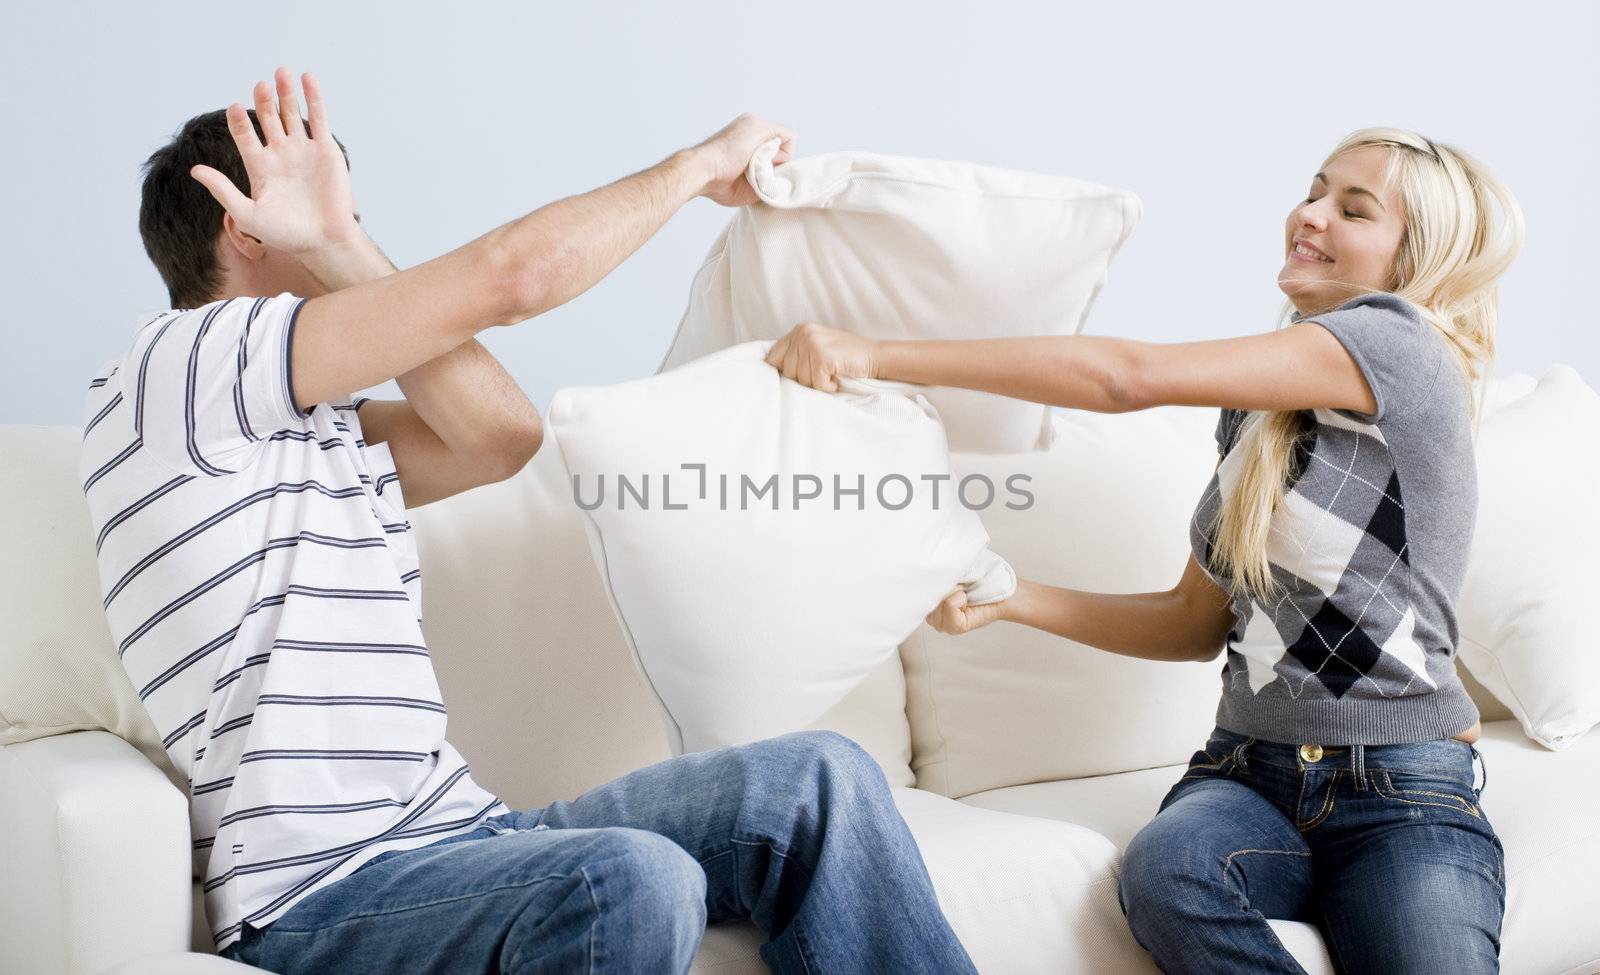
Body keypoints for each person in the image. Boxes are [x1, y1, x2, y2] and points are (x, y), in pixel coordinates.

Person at [80, 68, 976, 975]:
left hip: (463, 836)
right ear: (244, 225)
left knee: (817, 780)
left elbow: (501, 437)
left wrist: (340, 245)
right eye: (331, 200)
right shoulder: (174, 373)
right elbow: (514, 279)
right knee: (632, 877)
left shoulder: (313, 425)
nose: (353, 216)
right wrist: (703, 165)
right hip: (318, 896)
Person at [769, 128, 1523, 973]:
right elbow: (1192, 622)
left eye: (1352, 209)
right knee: (1170, 875)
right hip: (1249, 777)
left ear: (1412, 260)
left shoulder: (1401, 345)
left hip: (1403, 789)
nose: (1309, 215)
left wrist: (873, 353)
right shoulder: (1257, 418)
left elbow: (1125, 377)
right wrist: (1012, 597)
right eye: (1314, 191)